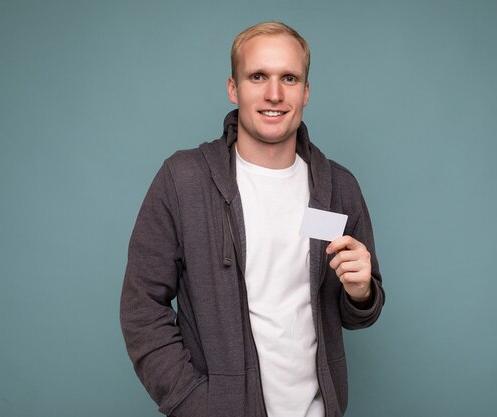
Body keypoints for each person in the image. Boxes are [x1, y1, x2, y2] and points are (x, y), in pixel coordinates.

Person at [120, 21, 384, 417]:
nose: (274, 94)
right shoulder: (184, 180)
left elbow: (355, 313)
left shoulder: (338, 188)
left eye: (289, 78)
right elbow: (141, 307)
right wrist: (197, 404)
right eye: (258, 76)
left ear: (306, 92)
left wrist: (361, 291)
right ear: (233, 88)